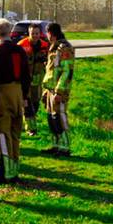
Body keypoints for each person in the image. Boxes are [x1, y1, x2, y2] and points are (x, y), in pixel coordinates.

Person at [0, 18, 29, 184]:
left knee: (2, 133)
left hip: (2, 93)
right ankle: (14, 170)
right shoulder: (19, 50)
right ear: (10, 32)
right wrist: (25, 97)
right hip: (17, 92)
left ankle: (5, 173)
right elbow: (26, 75)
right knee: (15, 133)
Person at [40, 23, 75, 156]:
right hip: (51, 89)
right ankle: (56, 145)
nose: (46, 36)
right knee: (51, 118)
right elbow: (51, 71)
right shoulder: (53, 47)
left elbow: (67, 72)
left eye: (47, 33)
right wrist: (46, 90)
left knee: (60, 117)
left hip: (59, 91)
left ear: (51, 33)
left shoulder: (64, 48)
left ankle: (65, 147)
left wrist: (59, 91)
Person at [17, 24, 50, 136]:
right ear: (29, 33)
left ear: (40, 34)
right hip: (25, 80)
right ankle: (31, 129)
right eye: (33, 33)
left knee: (35, 104)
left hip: (38, 80)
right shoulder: (21, 45)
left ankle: (26, 122)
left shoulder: (45, 45)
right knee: (27, 103)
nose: (35, 36)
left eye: (37, 33)